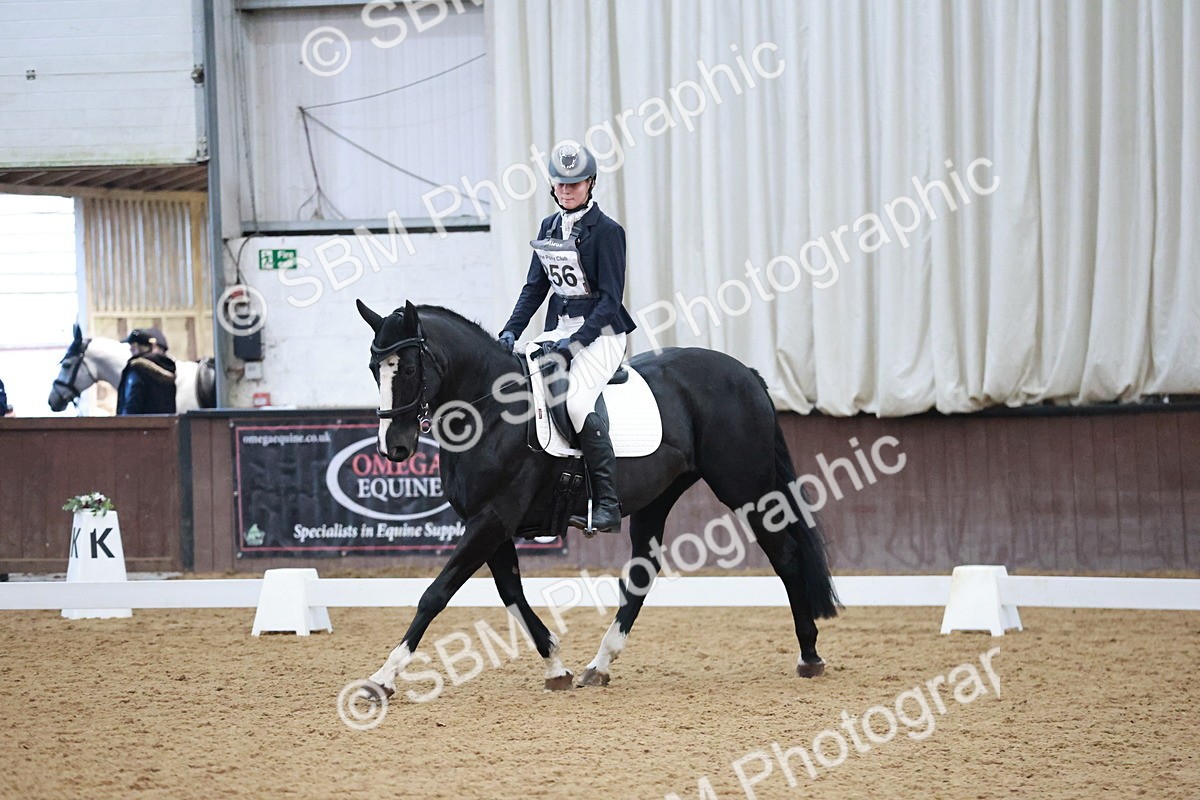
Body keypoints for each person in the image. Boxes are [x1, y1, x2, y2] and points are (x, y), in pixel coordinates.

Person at [497, 142, 637, 532]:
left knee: (576, 404)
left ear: (590, 183)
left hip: (603, 334)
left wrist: (575, 345)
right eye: (560, 184)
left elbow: (610, 301)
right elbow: (534, 289)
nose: (566, 191)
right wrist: (510, 331)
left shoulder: (608, 232)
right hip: (559, 329)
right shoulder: (548, 227)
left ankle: (607, 506)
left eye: (574, 184)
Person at [116, 327, 177, 415]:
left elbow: (132, 402)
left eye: (132, 346)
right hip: (164, 425)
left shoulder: (137, 368)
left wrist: (124, 423)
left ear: (136, 347)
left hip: (140, 425)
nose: (130, 349)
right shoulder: (167, 366)